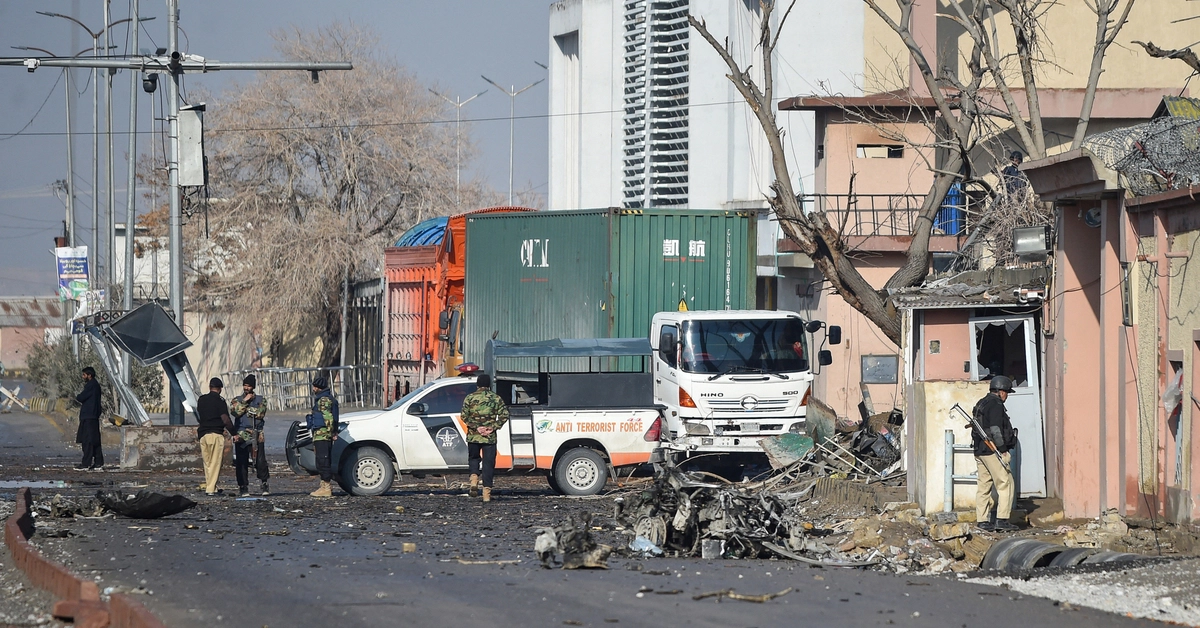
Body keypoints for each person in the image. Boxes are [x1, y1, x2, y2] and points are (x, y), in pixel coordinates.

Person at [972, 375, 1019, 531]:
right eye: (1006, 392)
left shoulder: (982, 402)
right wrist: (1003, 450)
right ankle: (1002, 520)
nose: (1007, 396)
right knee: (1006, 483)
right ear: (1000, 391)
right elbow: (996, 429)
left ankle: (982, 520)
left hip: (980, 450)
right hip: (993, 450)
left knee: (984, 486)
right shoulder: (996, 404)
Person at [461, 373, 509, 503]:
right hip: (490, 437)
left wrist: (477, 427)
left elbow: (464, 416)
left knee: (474, 458)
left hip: (474, 436)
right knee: (488, 464)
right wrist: (493, 427)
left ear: (477, 384)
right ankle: (486, 494)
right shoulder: (496, 398)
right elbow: (504, 415)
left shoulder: (470, 398)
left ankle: (474, 480)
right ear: (489, 385)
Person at [230, 374, 269, 496]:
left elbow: (260, 414)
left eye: (249, 386)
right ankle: (243, 486)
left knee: (260, 460)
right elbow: (235, 412)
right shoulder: (237, 400)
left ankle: (264, 483)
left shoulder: (261, 400)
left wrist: (247, 409)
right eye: (245, 385)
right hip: (241, 433)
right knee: (241, 461)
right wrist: (245, 401)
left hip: (257, 433)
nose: (246, 388)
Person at [196, 377, 236, 496]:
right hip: (216, 434)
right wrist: (234, 432)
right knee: (215, 463)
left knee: (207, 463)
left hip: (203, 435)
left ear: (210, 387)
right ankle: (210, 489)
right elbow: (225, 419)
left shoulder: (201, 400)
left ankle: (211, 487)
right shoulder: (220, 401)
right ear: (220, 389)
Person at [307, 377, 339, 498]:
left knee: (323, 460)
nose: (313, 389)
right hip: (320, 434)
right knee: (321, 460)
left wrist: (331, 433)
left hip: (323, 434)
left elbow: (328, 418)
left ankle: (326, 487)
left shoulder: (324, 400)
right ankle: (324, 485)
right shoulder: (322, 398)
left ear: (318, 387)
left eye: (315, 386)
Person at [74, 367, 103, 471]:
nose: (83, 377)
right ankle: (98, 462)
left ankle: (86, 463)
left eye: (84, 375)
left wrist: (78, 396)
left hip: (89, 417)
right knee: (94, 440)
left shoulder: (91, 386)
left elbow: (80, 397)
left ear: (89, 375)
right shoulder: (95, 385)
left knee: (88, 441)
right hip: (93, 416)